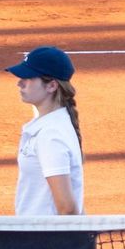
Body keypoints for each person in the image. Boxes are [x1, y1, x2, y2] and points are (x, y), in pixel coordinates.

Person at [8, 46, 83, 215]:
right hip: (37, 230)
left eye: (28, 77)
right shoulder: (54, 124)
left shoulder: (51, 136)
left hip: (42, 232)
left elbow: (67, 208)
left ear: (51, 86)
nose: (20, 83)